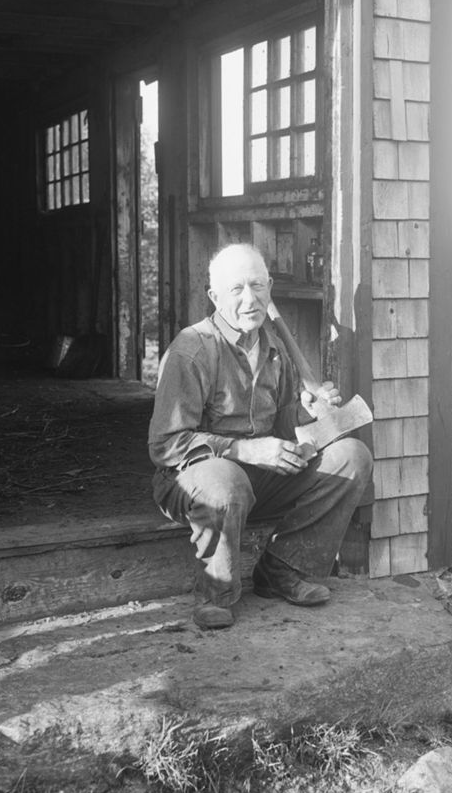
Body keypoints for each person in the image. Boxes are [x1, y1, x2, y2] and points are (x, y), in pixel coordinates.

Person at [148, 243, 372, 630]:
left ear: (269, 288)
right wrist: (246, 450)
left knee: (352, 456)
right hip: (193, 479)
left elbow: (283, 429)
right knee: (225, 478)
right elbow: (166, 446)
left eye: (257, 285)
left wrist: (305, 410)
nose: (249, 299)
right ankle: (215, 594)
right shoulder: (192, 350)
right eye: (236, 289)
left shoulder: (274, 349)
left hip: (258, 479)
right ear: (214, 297)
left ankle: (282, 570)